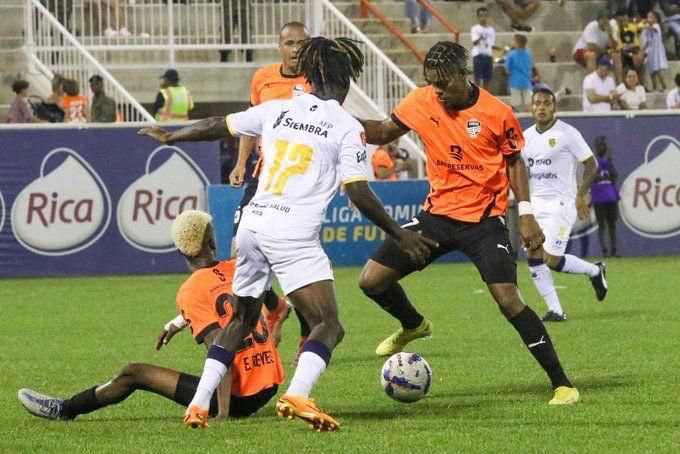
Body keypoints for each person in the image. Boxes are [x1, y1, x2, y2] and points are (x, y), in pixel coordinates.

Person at [139, 37, 436, 431]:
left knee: (241, 319)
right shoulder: (347, 126)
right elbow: (359, 193)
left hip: (253, 225)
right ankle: (297, 394)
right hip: (291, 233)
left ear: (309, 77)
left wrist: (173, 136)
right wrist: (401, 234)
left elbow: (218, 125)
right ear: (346, 80)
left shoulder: (278, 107)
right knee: (328, 324)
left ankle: (198, 404)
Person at [355, 41, 579, 406]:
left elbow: (514, 162)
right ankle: (414, 325)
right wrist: (332, 116)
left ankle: (563, 384)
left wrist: (525, 212)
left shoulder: (497, 112)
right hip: (436, 217)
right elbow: (381, 132)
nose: (437, 91)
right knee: (371, 280)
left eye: (443, 83)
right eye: (431, 83)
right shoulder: (420, 101)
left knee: (508, 299)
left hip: (484, 223)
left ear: (464, 74)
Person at [17, 210, 284, 423]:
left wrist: (222, 412)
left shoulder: (191, 290)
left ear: (180, 252)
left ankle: (64, 409)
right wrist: (179, 321)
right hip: (267, 383)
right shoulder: (239, 267)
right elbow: (266, 303)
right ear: (213, 243)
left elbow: (218, 348)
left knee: (133, 373)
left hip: (239, 396)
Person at [229, 22, 313, 365]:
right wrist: (240, 161)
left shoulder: (319, 80)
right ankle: (274, 305)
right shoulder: (262, 78)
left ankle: (308, 337)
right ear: (279, 46)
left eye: (301, 44)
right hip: (263, 178)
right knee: (240, 247)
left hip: (301, 186)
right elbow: (250, 123)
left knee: (301, 266)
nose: (296, 49)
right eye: (290, 43)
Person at [522, 88, 608, 322]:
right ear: (531, 108)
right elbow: (520, 169)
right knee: (533, 252)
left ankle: (594, 270)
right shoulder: (526, 137)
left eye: (547, 103)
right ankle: (556, 311)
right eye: (537, 103)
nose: (542, 107)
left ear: (554, 107)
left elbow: (591, 165)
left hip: (562, 204)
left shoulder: (568, 133)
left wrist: (581, 194)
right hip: (535, 204)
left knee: (550, 258)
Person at [573, 10, 623, 84]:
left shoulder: (612, 28)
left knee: (616, 55)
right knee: (592, 55)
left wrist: (610, 34)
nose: (606, 21)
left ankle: (619, 84)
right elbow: (591, 47)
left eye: (607, 19)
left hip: (600, 53)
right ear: (598, 19)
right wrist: (606, 52)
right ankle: (591, 85)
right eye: (603, 19)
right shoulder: (592, 26)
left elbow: (614, 47)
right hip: (581, 51)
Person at [591, 136, 621, 258]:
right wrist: (605, 177)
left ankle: (613, 250)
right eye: (600, 146)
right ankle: (605, 251)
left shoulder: (608, 162)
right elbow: (592, 177)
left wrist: (609, 162)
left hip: (610, 196)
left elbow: (615, 177)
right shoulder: (592, 162)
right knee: (602, 225)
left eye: (604, 146)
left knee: (611, 224)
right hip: (599, 196)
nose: (602, 148)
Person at [504, 34, 533, 111]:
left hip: (515, 82)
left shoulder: (511, 54)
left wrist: (511, 74)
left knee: (516, 105)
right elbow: (530, 68)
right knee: (528, 103)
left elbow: (506, 68)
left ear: (517, 43)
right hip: (526, 82)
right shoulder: (528, 55)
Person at [471, 7, 498, 91]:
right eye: (481, 16)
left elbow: (491, 44)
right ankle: (476, 97)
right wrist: (480, 38)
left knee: (487, 79)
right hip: (478, 56)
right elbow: (474, 42)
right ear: (478, 17)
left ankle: (485, 97)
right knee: (477, 78)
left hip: (488, 55)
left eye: (485, 16)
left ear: (488, 17)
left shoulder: (491, 30)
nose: (483, 18)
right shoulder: (475, 28)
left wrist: (500, 49)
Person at [642, 11, 668, 92]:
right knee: (652, 71)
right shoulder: (647, 29)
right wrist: (643, 50)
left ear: (656, 19)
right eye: (648, 17)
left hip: (657, 51)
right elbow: (647, 41)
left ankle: (665, 87)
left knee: (657, 70)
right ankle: (654, 88)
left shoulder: (656, 26)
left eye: (651, 17)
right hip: (651, 52)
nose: (648, 19)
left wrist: (645, 24)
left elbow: (652, 29)